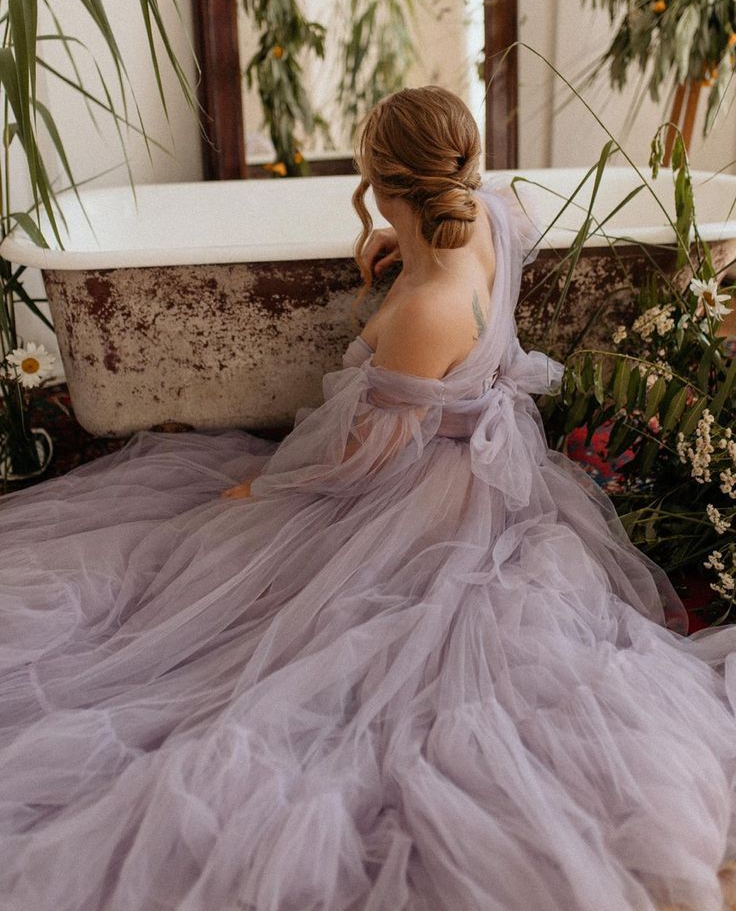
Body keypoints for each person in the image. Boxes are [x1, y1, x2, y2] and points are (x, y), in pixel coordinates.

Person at [1, 84, 736, 911]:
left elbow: (362, 463)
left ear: (386, 182)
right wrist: (410, 240)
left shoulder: (426, 310)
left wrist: (269, 486)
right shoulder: (491, 218)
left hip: (427, 491)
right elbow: (510, 216)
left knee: (248, 580)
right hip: (489, 457)